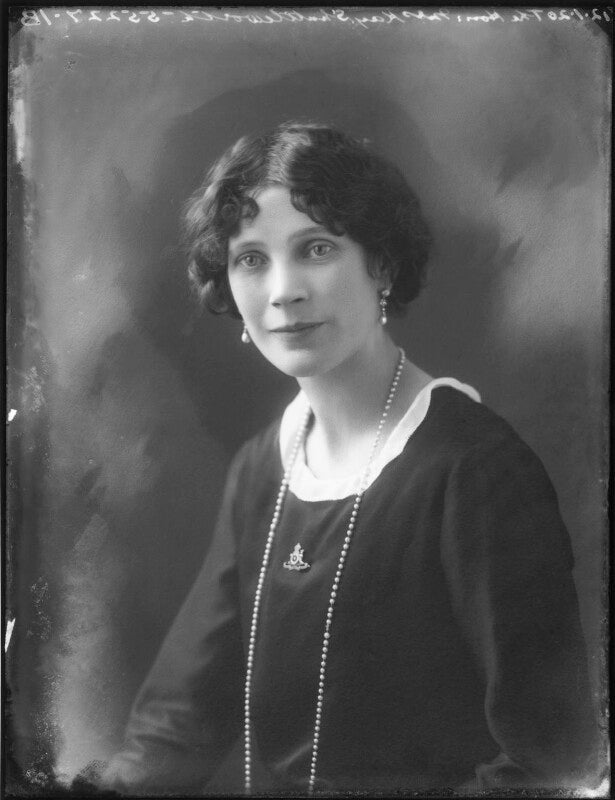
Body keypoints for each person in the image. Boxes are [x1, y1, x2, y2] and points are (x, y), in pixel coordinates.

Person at [101, 122, 601, 795]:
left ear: (382, 265)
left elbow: (555, 764)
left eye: (316, 249)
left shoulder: (475, 471)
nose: (283, 290)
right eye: (251, 259)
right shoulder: (262, 468)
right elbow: (177, 725)